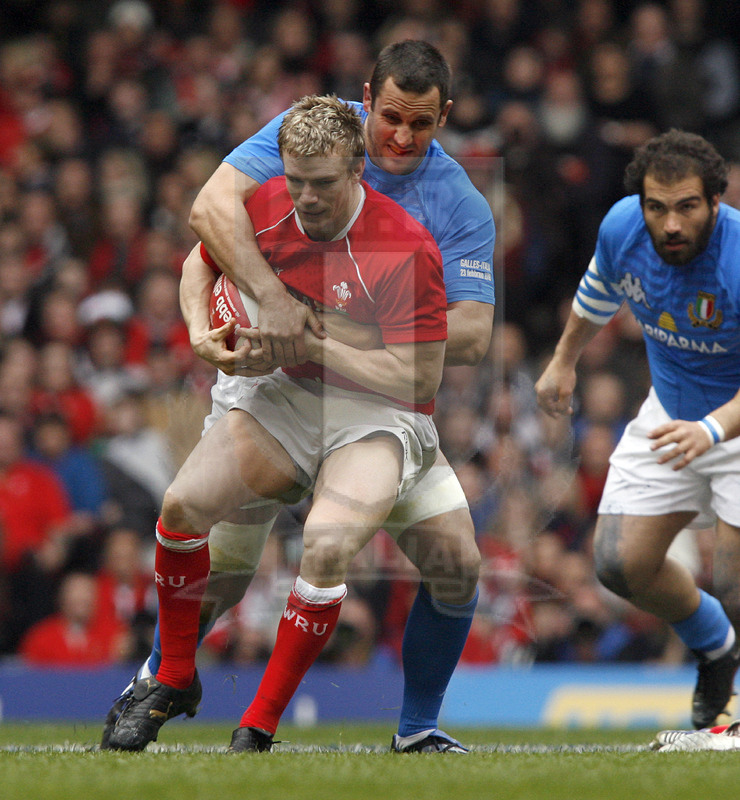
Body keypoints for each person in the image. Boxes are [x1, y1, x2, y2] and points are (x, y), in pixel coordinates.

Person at [103, 40, 495, 754]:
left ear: (445, 117)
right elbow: (211, 217)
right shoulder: (310, 137)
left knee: (454, 565)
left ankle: (412, 728)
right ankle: (163, 676)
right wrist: (244, 312)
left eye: (422, 126)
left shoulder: (447, 213)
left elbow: (459, 341)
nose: (400, 139)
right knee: (210, 556)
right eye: (390, 119)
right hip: (276, 390)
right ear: (365, 100)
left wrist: (317, 326)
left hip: (377, 405)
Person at [535, 128, 740, 729]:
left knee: (732, 578)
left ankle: (729, 718)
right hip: (670, 415)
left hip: (733, 424)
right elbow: (597, 291)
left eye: (687, 207)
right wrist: (563, 360)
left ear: (715, 201)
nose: (670, 223)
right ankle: (717, 649)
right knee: (618, 563)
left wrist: (712, 429)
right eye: (658, 207)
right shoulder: (623, 227)